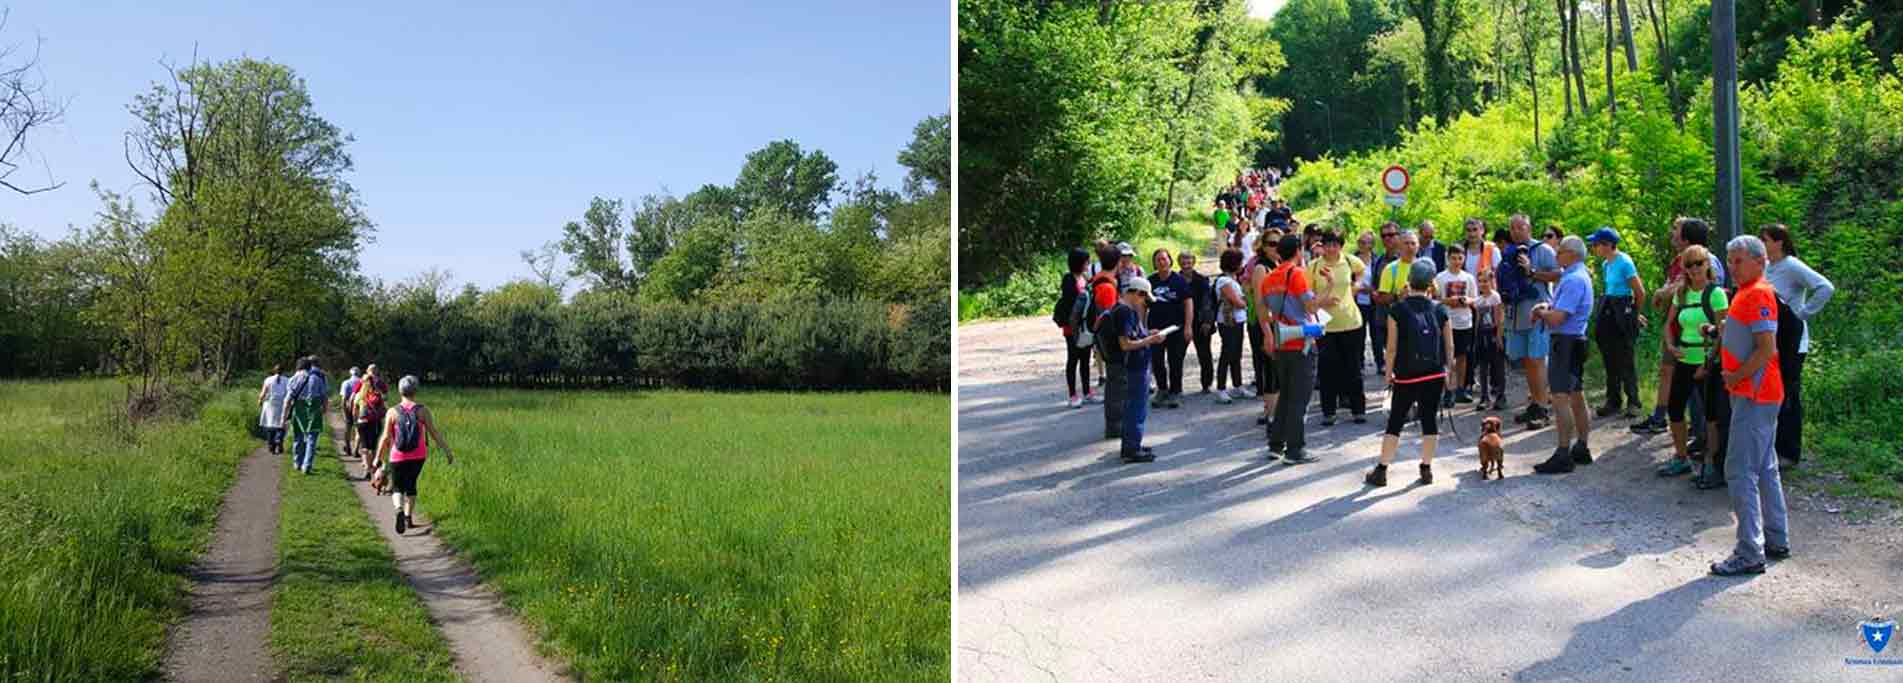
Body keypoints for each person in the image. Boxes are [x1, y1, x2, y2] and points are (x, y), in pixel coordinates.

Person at [1709, 235, 1791, 576]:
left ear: (1759, 261)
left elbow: (1766, 348)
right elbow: (1746, 333)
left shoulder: (1758, 292)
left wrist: (1734, 377)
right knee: (1765, 467)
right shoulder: (1746, 292)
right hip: (1757, 393)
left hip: (1754, 394)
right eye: (1729, 260)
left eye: (1738, 260)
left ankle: (1749, 552)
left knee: (1740, 470)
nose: (1732, 266)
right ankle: (1775, 539)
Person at [1633, 218, 1727, 440]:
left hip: (1703, 345)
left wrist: (1661, 293)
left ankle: (1704, 440)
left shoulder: (1708, 263)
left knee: (1701, 395)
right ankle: (1680, 435)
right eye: (1690, 266)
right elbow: (1674, 289)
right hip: (1680, 334)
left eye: (1676, 230)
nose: (1672, 234)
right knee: (1675, 385)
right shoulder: (1680, 263)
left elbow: (1718, 317)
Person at [1366, 258, 1456, 487]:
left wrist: (1388, 374)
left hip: (1406, 374)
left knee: (1396, 420)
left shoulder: (1397, 310)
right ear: (1431, 283)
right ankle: (1426, 469)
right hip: (1434, 373)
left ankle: (1382, 469)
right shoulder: (1440, 309)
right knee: (1429, 420)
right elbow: (1450, 346)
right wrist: (1449, 371)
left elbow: (1392, 346)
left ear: (1409, 280)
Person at [1761, 223, 1832, 469]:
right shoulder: (1767, 268)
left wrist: (1803, 312)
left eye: (1767, 240)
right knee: (1772, 392)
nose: (1764, 244)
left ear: (1779, 242)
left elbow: (1825, 287)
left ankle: (1789, 452)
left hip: (1792, 341)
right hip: (1771, 340)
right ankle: (1771, 446)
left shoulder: (1791, 265)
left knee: (1789, 393)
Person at [1659, 245, 1726, 479]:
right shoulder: (1682, 293)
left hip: (1708, 363)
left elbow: (1722, 332)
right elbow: (1669, 324)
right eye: (1689, 265)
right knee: (1675, 410)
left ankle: (1711, 463)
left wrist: (1707, 364)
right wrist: (1671, 346)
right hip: (1685, 360)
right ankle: (1681, 457)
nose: (1694, 269)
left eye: (1699, 263)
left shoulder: (1716, 294)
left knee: (1711, 415)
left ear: (1707, 264)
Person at [1531, 236, 1596, 474]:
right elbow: (1560, 310)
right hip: (1576, 340)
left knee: (1560, 398)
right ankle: (1582, 447)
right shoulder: (1577, 276)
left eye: (1560, 252)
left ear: (1572, 254)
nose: (1556, 255)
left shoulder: (1573, 280)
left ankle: (1562, 453)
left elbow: (1559, 317)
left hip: (1566, 342)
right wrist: (1546, 309)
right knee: (1576, 394)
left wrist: (1541, 313)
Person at [1262, 234, 1324, 463]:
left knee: (1286, 395)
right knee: (1299, 398)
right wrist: (1325, 292)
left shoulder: (1269, 278)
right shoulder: (1296, 273)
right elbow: (1310, 306)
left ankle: (1276, 444)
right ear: (1298, 251)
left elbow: (1266, 311)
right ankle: (1295, 450)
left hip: (1281, 342)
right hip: (1302, 343)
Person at [376, 375, 456, 535]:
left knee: (398, 487)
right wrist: (447, 451)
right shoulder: (422, 410)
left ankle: (398, 509)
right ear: (415, 391)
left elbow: (385, 438)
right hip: (418, 455)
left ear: (400, 391)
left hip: (397, 455)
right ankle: (408, 517)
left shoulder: (392, 411)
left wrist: (378, 457)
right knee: (411, 485)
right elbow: (434, 433)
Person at [1501, 214, 1559, 428]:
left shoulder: (1543, 250)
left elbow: (1559, 275)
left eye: (1520, 227)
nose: (1516, 231)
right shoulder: (1508, 252)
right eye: (1512, 227)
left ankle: (1543, 408)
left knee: (1537, 359)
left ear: (1529, 228)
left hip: (1537, 314)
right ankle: (1535, 403)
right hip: (1516, 315)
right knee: (1526, 361)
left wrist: (1532, 272)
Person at [1310, 230, 1368, 425]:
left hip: (1351, 321)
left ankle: (1358, 409)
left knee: (1353, 367)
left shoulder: (1350, 261)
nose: (1331, 248)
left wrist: (1356, 285)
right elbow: (1308, 297)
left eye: (1335, 244)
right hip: (1325, 325)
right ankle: (1329, 412)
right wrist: (1323, 301)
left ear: (1341, 246)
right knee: (1327, 370)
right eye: (1327, 244)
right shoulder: (1313, 267)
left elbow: (1361, 272)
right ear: (1322, 245)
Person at [1589, 227, 1647, 420]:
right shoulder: (1606, 264)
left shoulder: (1624, 262)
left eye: (1596, 244)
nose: (1594, 248)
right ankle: (1613, 401)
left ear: (1607, 245)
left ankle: (1634, 402)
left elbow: (1639, 292)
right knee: (1609, 356)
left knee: (1625, 358)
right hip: (1609, 308)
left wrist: (1634, 314)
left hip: (1623, 308)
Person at [1113, 278, 1165, 463]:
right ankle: (1131, 449)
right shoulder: (1125, 312)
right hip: (1134, 366)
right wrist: (1149, 341)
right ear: (1138, 294)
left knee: (1135, 407)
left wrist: (1147, 334)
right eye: (1144, 299)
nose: (1145, 304)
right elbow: (1125, 344)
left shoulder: (1125, 310)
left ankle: (1133, 443)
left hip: (1138, 364)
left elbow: (1134, 335)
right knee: (1136, 407)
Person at [1087, 246, 1127, 439]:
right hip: (1110, 341)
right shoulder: (1107, 287)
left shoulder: (1099, 280)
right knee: (1116, 383)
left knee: (1114, 382)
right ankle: (1115, 426)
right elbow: (1110, 318)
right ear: (1117, 262)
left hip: (1103, 339)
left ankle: (1114, 424)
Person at [1434, 243, 1478, 408]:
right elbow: (1435, 300)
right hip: (1446, 322)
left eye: (1460, 258)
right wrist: (1448, 301)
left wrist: (1467, 301)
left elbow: (1475, 298)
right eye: (1453, 258)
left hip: (1464, 322)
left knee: (1462, 356)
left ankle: (1461, 388)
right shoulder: (1440, 278)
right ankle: (1448, 390)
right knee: (1447, 358)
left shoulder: (1468, 278)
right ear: (1447, 258)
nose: (1457, 261)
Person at [1147, 249, 1193, 408]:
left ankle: (1176, 391)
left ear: (1170, 261)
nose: (1162, 262)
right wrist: (1140, 328)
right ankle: (1162, 390)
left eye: (1164, 259)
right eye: (1158, 260)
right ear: (1154, 263)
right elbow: (1141, 305)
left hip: (1176, 328)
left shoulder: (1179, 280)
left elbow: (1188, 303)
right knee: (1157, 361)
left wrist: (1188, 326)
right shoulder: (1150, 281)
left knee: (1175, 360)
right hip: (1155, 330)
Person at [1056, 247, 1098, 408]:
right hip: (1072, 328)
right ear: (1078, 262)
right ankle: (1073, 395)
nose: (1088, 264)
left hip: (1085, 327)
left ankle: (1087, 392)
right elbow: (1069, 305)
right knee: (1073, 359)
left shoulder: (1085, 278)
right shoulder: (1068, 280)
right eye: (1086, 261)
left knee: (1085, 359)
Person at [280, 355, 329, 475]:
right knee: (312, 438)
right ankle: (307, 465)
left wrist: (284, 417)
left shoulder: (293, 379)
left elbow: (287, 400)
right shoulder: (317, 379)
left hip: (299, 410)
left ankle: (297, 462)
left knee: (298, 436)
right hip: (314, 409)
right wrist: (324, 409)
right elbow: (324, 396)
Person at [1213, 248, 1249, 404]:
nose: (1242, 265)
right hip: (1228, 322)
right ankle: (1221, 388)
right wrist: (1245, 301)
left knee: (1237, 353)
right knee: (1227, 353)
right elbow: (1238, 302)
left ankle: (1238, 385)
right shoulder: (1224, 281)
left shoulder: (1234, 280)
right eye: (1240, 262)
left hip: (1238, 321)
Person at [1367, 223, 1402, 371]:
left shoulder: (1405, 259)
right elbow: (1375, 285)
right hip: (1383, 316)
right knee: (1389, 351)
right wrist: (1374, 293)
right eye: (1384, 236)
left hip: (1401, 316)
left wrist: (1392, 297)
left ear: (1398, 236)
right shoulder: (1379, 260)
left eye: (1391, 235)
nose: (1387, 238)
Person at [1182, 251, 1217, 395]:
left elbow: (1208, 302)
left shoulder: (1202, 280)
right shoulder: (1176, 279)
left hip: (1201, 322)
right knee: (1177, 355)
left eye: (1189, 262)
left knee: (1204, 354)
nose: (1186, 265)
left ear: (1194, 263)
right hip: (1181, 322)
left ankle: (1206, 384)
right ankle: (1175, 386)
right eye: (1184, 263)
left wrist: (1208, 321)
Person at [1472, 270, 1507, 410]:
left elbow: (1500, 319)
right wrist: (1475, 337)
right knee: (1483, 367)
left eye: (1486, 281)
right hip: (1482, 335)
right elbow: (1478, 320)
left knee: (1498, 366)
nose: (1483, 284)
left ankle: (1500, 396)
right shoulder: (1478, 300)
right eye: (1480, 281)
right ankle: (1484, 397)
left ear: (1492, 282)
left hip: (1493, 334)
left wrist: (1499, 336)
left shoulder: (1495, 298)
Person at [355, 364, 389, 476]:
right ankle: (373, 468)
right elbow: (384, 407)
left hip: (362, 422)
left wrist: (356, 419)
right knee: (373, 447)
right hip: (375, 423)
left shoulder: (360, 394)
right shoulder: (379, 392)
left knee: (364, 447)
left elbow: (354, 407)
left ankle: (367, 468)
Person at [257, 364, 288, 455]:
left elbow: (263, 392)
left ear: (274, 371)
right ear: (283, 371)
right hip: (282, 404)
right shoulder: (287, 380)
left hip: (270, 403)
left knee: (270, 424)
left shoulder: (268, 380)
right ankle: (279, 439)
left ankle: (271, 445)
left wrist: (260, 400)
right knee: (281, 423)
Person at [339, 366, 362, 456]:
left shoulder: (346, 383)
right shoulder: (362, 382)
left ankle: (348, 447)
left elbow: (344, 399)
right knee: (358, 429)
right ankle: (356, 450)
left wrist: (343, 410)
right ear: (359, 373)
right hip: (360, 408)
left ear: (350, 373)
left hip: (349, 407)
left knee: (348, 427)